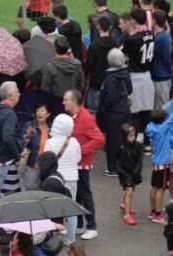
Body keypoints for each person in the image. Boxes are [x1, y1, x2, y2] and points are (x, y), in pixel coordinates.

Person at [62, 90, 102, 240]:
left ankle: (91, 226)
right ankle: (78, 224)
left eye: (66, 100)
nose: (63, 102)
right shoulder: (73, 117)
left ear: (74, 101)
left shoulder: (86, 118)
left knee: (85, 194)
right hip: (74, 162)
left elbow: (98, 139)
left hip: (82, 163)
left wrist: (80, 151)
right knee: (76, 194)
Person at [43, 114, 81, 244]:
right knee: (71, 209)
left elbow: (46, 162)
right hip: (71, 179)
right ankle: (70, 239)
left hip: (54, 180)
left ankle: (54, 238)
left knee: (54, 209)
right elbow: (78, 159)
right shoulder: (74, 142)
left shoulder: (50, 142)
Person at [121, 9, 156, 147]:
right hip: (147, 76)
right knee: (147, 111)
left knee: (134, 112)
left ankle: (134, 143)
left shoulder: (132, 39)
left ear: (133, 21)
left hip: (135, 78)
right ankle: (147, 143)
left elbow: (120, 54)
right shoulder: (150, 34)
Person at [99, 48, 133, 176]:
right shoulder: (125, 72)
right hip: (124, 109)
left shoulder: (111, 77)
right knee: (123, 138)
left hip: (113, 113)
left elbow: (110, 96)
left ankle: (113, 168)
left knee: (113, 140)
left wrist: (104, 107)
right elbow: (129, 90)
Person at [0, 81, 24, 195]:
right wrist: (17, 156)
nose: (19, 94)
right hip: (6, 160)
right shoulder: (9, 114)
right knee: (6, 196)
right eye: (17, 91)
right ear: (10, 95)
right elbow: (7, 137)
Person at [116, 123, 145, 225]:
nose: (133, 137)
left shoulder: (137, 146)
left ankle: (124, 205)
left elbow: (139, 159)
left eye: (134, 135)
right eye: (131, 136)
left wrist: (137, 170)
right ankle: (127, 215)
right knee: (129, 191)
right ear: (125, 136)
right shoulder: (121, 148)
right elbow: (119, 164)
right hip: (125, 172)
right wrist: (125, 174)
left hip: (134, 171)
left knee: (132, 189)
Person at [40, 36, 84, 101]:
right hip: (71, 101)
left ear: (54, 48)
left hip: (55, 102)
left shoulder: (49, 66)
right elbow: (81, 85)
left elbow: (45, 88)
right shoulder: (77, 64)